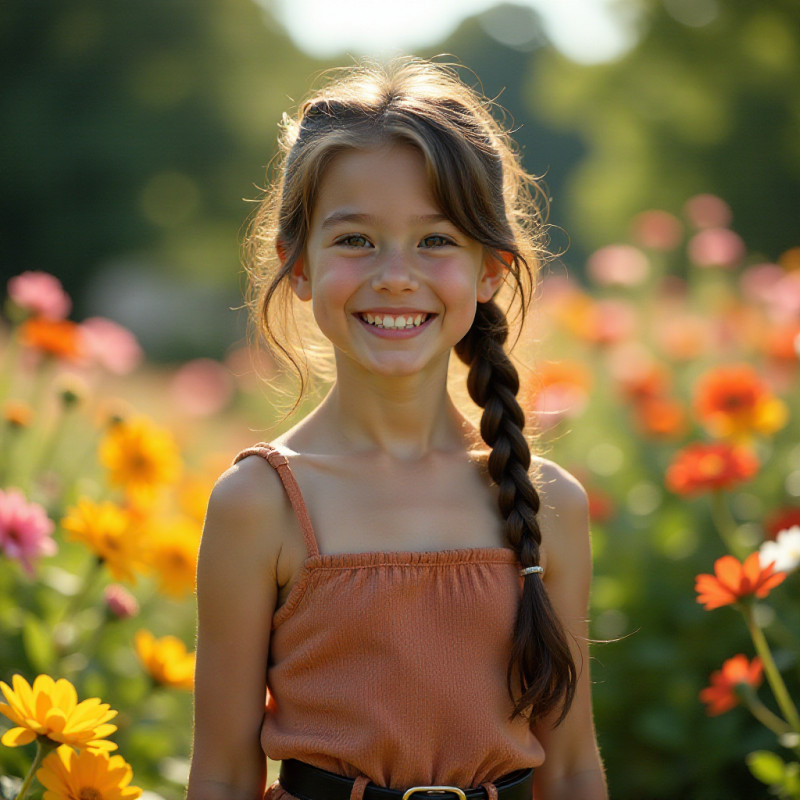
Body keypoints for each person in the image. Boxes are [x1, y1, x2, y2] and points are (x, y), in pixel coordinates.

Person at [187, 57, 607, 800]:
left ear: (489, 269)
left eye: (436, 240)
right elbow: (221, 773)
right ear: (299, 264)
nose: (394, 275)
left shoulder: (549, 504)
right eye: (354, 240)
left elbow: (571, 767)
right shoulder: (260, 503)